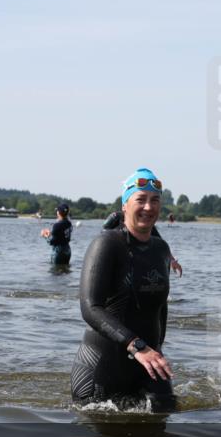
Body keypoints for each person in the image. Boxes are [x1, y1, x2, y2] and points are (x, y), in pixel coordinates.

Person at [72, 168, 176, 412]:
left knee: (164, 428)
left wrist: (156, 348)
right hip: (101, 367)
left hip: (149, 362)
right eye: (140, 199)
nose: (148, 207)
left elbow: (161, 306)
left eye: (155, 200)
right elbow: (90, 307)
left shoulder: (161, 249)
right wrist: (137, 345)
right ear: (125, 205)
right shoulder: (107, 244)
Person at [103, 210, 182, 277]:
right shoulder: (117, 217)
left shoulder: (146, 224)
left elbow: (161, 242)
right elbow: (103, 234)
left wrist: (172, 261)